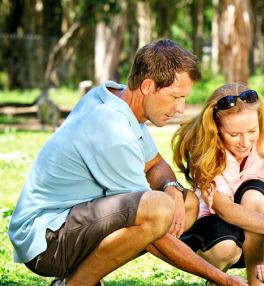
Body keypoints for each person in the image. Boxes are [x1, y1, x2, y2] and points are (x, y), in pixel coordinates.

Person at [8, 39, 247, 286]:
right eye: (175, 97)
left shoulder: (114, 97)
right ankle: (77, 283)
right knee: (158, 210)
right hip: (47, 241)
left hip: (72, 221)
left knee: (184, 204)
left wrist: (171, 188)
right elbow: (154, 229)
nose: (180, 108)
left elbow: (155, 165)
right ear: (147, 86)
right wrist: (221, 278)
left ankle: (75, 278)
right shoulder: (112, 129)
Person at [173, 83, 264, 285]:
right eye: (234, 135)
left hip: (255, 237)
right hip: (211, 233)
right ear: (217, 129)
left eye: (252, 131)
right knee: (226, 247)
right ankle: (217, 278)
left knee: (255, 195)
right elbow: (225, 210)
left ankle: (257, 280)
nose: (245, 141)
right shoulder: (205, 147)